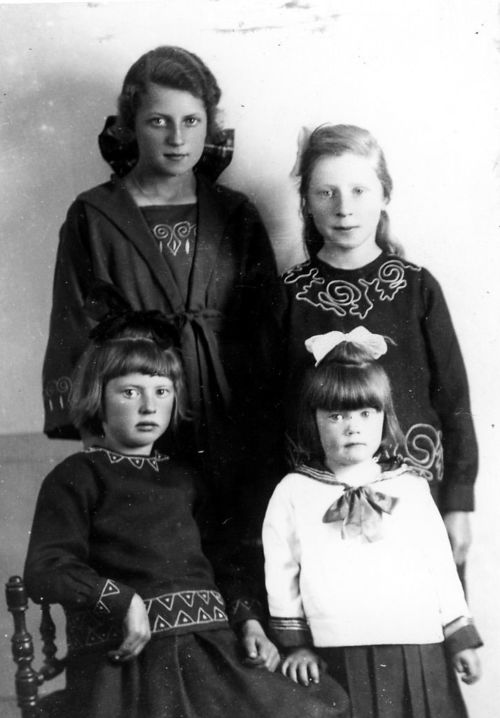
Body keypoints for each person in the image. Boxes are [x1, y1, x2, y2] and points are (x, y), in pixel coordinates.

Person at [25, 321, 349, 718]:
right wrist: (122, 601)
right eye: (130, 392)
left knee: (324, 704)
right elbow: (47, 568)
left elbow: (223, 562)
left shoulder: (185, 477)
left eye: (162, 391)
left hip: (210, 648)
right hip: (133, 658)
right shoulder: (77, 475)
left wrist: (249, 623)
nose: (149, 406)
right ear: (98, 397)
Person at [41, 45, 278, 522]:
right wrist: (95, 438)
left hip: (231, 416)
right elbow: (75, 328)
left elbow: (268, 328)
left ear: (210, 124)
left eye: (191, 121)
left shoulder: (236, 213)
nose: (177, 138)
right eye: (158, 121)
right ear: (131, 125)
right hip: (139, 417)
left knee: (239, 543)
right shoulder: (95, 215)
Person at [274, 123, 478, 579]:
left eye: (359, 190)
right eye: (326, 192)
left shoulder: (417, 288)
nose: (344, 208)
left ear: (385, 194)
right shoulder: (287, 294)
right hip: (318, 505)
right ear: (306, 201)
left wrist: (459, 502)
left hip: (416, 499)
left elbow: (455, 403)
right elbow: (264, 410)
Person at [262, 328, 482, 718]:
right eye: (337, 415)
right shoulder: (294, 491)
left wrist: (459, 637)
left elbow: (440, 566)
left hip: (417, 646)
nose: (353, 426)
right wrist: (296, 645)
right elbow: (282, 573)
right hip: (337, 650)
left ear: (384, 415)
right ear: (313, 420)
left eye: (366, 413)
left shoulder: (410, 486)